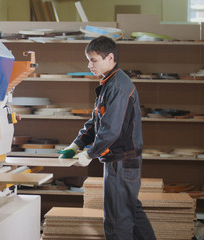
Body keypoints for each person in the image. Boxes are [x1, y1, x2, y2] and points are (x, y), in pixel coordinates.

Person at [59, 36, 156, 240]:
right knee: (131, 212)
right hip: (121, 161)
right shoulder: (108, 83)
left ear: (110, 57)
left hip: (121, 162)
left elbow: (111, 130)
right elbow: (97, 122)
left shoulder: (118, 87)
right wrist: (77, 144)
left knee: (117, 219)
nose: (89, 65)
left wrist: (90, 153)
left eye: (93, 60)